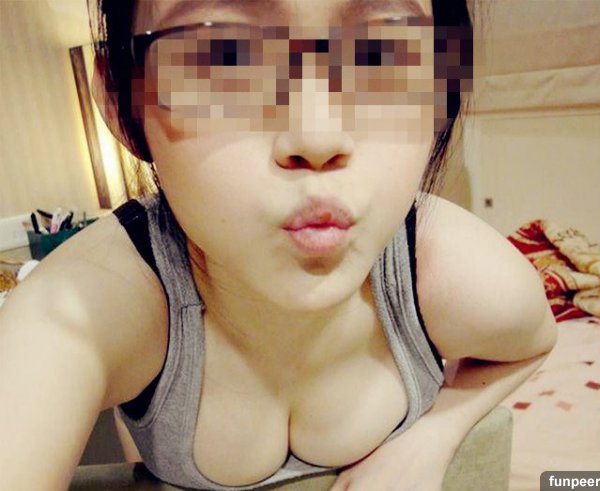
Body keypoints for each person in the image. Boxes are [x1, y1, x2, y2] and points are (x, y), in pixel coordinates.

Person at [0, 0, 557, 489]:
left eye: (380, 55)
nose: (317, 136)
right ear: (121, 101)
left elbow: (534, 343)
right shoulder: (85, 307)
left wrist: (435, 435)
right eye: (224, 57)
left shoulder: (455, 269)